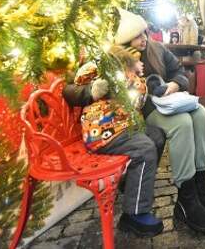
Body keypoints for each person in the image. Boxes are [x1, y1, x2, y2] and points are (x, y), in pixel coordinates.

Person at [114, 9, 205, 233]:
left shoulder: (157, 49)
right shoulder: (117, 59)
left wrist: (174, 85)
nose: (143, 38)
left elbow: (179, 73)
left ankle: (201, 190)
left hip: (169, 103)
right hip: (145, 113)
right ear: (125, 39)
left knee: (201, 115)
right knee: (182, 123)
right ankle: (186, 199)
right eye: (137, 36)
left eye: (144, 33)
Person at [63, 46, 165, 237]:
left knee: (157, 136)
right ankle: (134, 214)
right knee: (145, 149)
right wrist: (93, 90)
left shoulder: (132, 77)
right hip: (103, 132)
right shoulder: (103, 69)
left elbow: (138, 103)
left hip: (124, 126)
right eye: (136, 58)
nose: (140, 60)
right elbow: (73, 86)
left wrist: (140, 79)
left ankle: (131, 185)